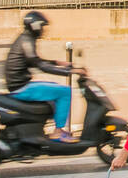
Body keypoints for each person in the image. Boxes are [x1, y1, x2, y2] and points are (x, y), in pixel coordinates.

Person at [5, 10, 78, 142]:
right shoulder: (26, 41)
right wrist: (70, 72)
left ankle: (48, 125)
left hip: (20, 84)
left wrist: (58, 63)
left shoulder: (25, 38)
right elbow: (40, 66)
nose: (43, 30)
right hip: (21, 87)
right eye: (42, 26)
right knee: (65, 92)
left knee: (55, 87)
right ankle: (58, 131)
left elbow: (36, 60)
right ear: (35, 26)